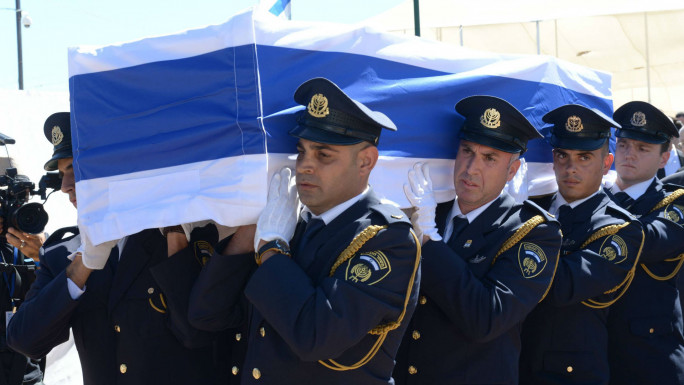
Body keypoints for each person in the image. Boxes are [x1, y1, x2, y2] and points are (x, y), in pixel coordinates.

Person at [189, 77, 421, 384]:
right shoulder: (290, 222)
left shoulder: (386, 238)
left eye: (323, 155)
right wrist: (248, 236)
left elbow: (316, 335)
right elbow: (207, 315)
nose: (304, 166)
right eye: (302, 151)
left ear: (366, 161)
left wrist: (272, 250)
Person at [7, 112, 226, 385]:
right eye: (63, 173)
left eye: (76, 169)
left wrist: (176, 239)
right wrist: (82, 266)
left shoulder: (180, 234)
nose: (65, 186)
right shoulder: (63, 255)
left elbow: (199, 336)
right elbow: (24, 340)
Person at [393, 95, 561, 385]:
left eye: (489, 158)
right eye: (467, 151)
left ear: (512, 171)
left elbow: (487, 318)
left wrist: (430, 239)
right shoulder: (432, 209)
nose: (471, 168)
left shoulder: (532, 232)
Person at [519, 104, 644, 385]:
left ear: (606, 163)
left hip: (570, 374)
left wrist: (516, 226)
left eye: (584, 157)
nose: (570, 167)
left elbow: (561, 287)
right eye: (562, 155)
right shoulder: (530, 209)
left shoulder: (619, 229)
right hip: (513, 364)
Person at [606, 101, 684, 385]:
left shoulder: (675, 204)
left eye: (643, 149)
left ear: (664, 159)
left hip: (651, 360)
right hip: (593, 356)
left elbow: (648, 240)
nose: (629, 154)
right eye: (624, 144)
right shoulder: (597, 199)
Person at [0, 160, 43, 385]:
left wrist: (42, 257)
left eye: (22, 198)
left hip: (26, 370)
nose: (15, 207)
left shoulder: (31, 246)